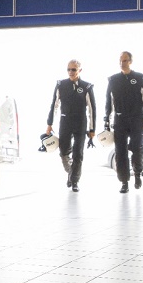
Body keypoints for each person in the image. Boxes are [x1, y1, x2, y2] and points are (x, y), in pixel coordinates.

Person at [104, 51, 143, 193]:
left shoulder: (140, 78)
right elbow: (109, 102)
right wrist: (106, 120)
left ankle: (137, 174)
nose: (122, 63)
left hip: (137, 119)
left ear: (130, 61)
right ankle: (124, 182)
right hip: (120, 120)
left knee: (137, 148)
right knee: (120, 152)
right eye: (120, 60)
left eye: (125, 60)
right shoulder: (113, 80)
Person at [46, 59, 97, 192]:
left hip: (80, 122)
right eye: (68, 69)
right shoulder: (61, 85)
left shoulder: (87, 87)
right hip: (65, 122)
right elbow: (54, 105)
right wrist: (49, 124)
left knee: (78, 154)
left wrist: (92, 129)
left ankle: (75, 181)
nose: (70, 72)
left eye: (73, 69)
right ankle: (71, 172)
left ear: (80, 70)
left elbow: (92, 109)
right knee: (63, 151)